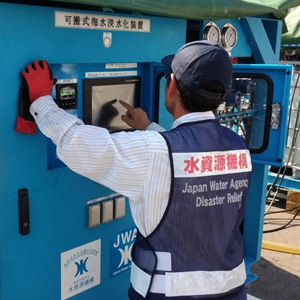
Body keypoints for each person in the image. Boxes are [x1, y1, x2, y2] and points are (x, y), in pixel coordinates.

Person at [21, 41, 252, 300]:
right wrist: (149, 127)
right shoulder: (238, 147)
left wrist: (41, 99)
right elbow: (186, 159)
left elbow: (78, 142)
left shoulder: (153, 153)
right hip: (231, 291)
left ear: (172, 85)